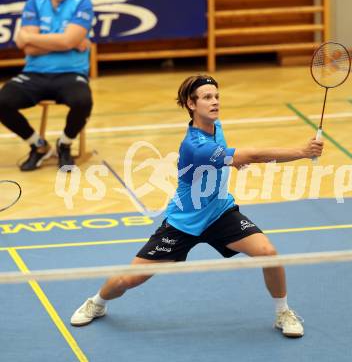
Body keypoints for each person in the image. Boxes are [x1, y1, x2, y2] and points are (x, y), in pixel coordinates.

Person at [70, 75, 324, 338]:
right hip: (184, 222)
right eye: (206, 97)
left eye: (216, 96)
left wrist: (230, 162)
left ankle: (282, 312)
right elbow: (255, 155)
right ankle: (97, 302)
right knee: (130, 279)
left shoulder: (215, 127)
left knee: (269, 253)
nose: (214, 102)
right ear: (191, 104)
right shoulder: (195, 145)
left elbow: (225, 155)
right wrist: (303, 152)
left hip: (219, 212)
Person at [0, 0, 94, 171]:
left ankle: (64, 145)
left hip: (71, 73)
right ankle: (38, 145)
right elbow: (29, 49)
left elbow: (62, 41)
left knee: (82, 101)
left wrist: (32, 38)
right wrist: (67, 42)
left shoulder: (82, 2)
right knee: (2, 101)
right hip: (34, 73)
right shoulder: (34, 2)